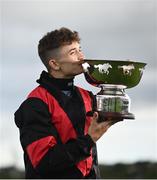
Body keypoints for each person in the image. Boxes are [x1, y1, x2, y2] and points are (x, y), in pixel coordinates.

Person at [14, 27, 119, 179]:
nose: (81, 56)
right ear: (54, 64)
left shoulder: (87, 96)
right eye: (73, 52)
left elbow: (113, 112)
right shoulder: (35, 104)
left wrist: (120, 78)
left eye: (80, 49)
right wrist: (89, 140)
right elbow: (44, 162)